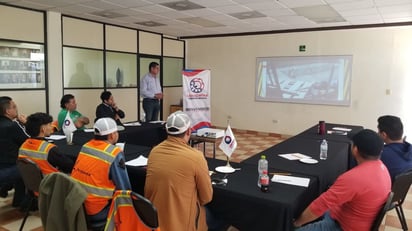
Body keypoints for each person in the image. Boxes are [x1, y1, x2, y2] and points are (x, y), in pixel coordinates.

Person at [293, 129, 391, 231]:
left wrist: (296, 223)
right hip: (358, 219)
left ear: (355, 149)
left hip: (344, 226)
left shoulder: (354, 178)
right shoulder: (382, 167)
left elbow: (320, 205)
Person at [145, 111, 213, 231]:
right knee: (219, 217)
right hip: (183, 224)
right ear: (188, 131)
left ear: (167, 131)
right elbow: (206, 197)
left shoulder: (154, 152)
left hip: (155, 221)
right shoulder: (196, 157)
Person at [71, 117, 131, 224]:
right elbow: (124, 188)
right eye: (116, 132)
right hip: (97, 210)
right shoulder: (114, 153)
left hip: (77, 205)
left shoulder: (86, 146)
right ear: (112, 135)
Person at [0, 96, 29, 207]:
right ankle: (21, 201)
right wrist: (25, 124)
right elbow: (29, 140)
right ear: (7, 111)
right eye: (14, 107)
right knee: (27, 165)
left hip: (3, 167)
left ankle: (5, 187)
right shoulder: (13, 125)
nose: (16, 109)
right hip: (11, 168)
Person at [377, 115, 412, 181]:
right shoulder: (410, 148)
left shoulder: (381, 155)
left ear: (384, 135)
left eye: (378, 132)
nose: (377, 133)